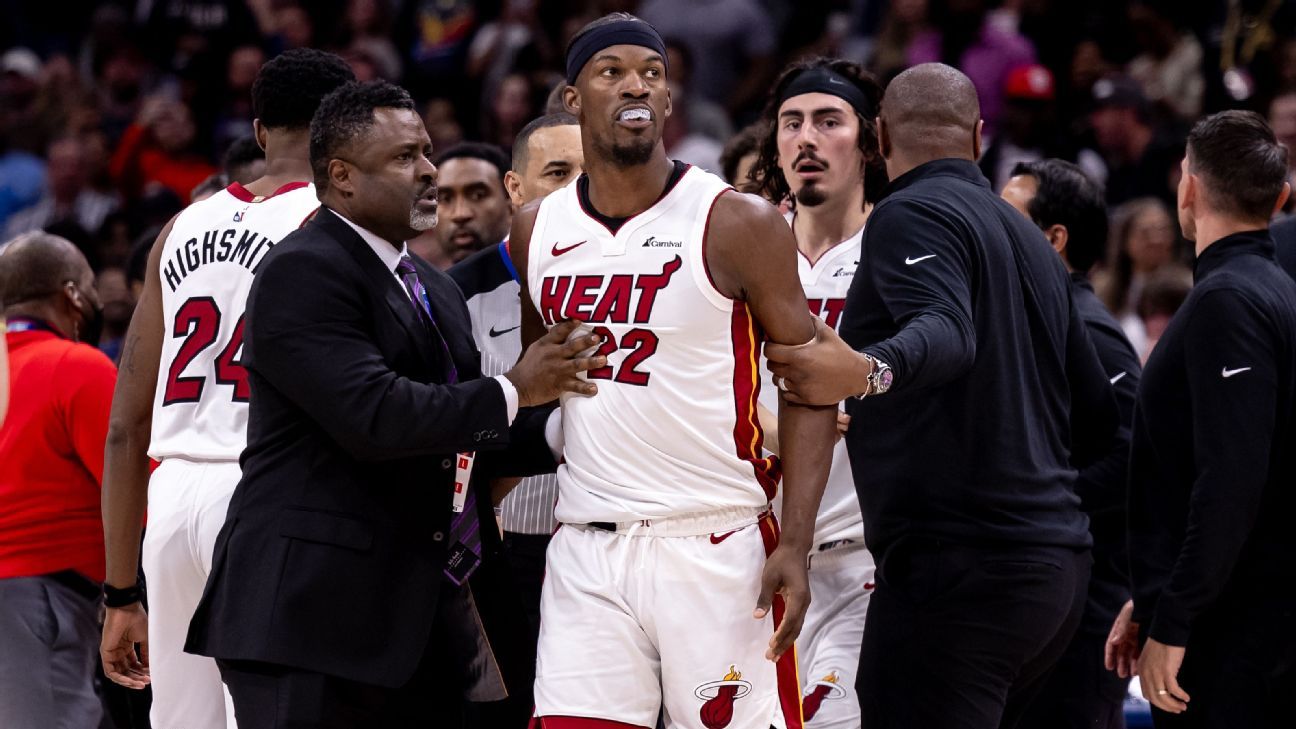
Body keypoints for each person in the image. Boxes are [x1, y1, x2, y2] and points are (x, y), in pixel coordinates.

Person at [182, 79, 603, 729]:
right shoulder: (303, 269)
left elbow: (467, 435)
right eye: (406, 157)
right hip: (308, 617)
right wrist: (518, 385)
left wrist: (570, 432)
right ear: (343, 177)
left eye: (426, 151)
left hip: (411, 616)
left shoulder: (431, 282)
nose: (430, 170)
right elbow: (378, 417)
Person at [765, 63, 1117, 728]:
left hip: (962, 573)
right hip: (1055, 573)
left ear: (879, 137)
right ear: (979, 137)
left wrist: (869, 370)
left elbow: (946, 333)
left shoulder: (908, 213)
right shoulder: (1029, 240)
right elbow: (1098, 415)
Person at [515, 14, 836, 728]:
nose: (636, 85)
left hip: (715, 541)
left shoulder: (736, 221)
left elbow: (809, 384)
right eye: (613, 72)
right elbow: (540, 372)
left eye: (652, 74)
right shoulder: (536, 227)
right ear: (572, 101)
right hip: (587, 541)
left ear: (668, 102)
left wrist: (796, 541)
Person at [97, 48, 356, 729]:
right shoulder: (330, 227)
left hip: (172, 499)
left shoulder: (179, 227)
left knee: (184, 720)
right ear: (347, 130)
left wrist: (121, 591)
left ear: (260, 130)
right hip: (264, 493)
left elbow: (125, 427)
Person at [1118, 110, 1296, 724]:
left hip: (1233, 628)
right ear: (1281, 197)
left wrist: (1175, 618)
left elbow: (1230, 481)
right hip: (1246, 613)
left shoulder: (1229, 301)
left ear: (1187, 187)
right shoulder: (1270, 288)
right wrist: (1149, 599)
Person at [748, 57, 883, 729]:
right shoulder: (742, 250)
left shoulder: (900, 247)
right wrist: (776, 423)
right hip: (752, 555)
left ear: (868, 140)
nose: (807, 138)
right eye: (791, 122)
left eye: (829, 121)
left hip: (866, 558)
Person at [446, 109, 583, 726]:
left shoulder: (642, 273)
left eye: (590, 171)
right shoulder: (456, 293)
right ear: (516, 188)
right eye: (558, 173)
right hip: (506, 548)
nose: (579, 188)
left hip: (617, 537)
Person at [1001, 159, 1141, 729]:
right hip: (1050, 592)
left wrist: (1042, 501)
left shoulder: (1093, 333)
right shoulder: (1039, 320)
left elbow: (1131, 459)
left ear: (1053, 239)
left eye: (1006, 218)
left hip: (1088, 610)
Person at [0, 232, 113, 729]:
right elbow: (132, 490)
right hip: (39, 598)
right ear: (71, 295)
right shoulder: (77, 364)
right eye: (91, 287)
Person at [418, 142, 513, 269]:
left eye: (478, 196)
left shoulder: (537, 283)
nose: (460, 214)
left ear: (512, 208)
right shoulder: (420, 285)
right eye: (445, 198)